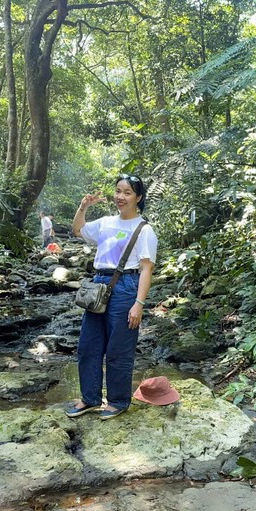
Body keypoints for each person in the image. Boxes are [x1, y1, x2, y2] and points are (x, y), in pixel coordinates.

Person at [65, 175, 157, 419]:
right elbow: (76, 230)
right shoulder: (105, 223)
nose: (120, 197)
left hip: (127, 286)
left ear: (138, 197)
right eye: (118, 191)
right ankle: (90, 398)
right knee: (88, 345)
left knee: (118, 348)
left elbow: (147, 269)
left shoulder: (144, 230)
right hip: (99, 284)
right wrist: (83, 207)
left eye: (127, 192)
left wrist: (139, 304)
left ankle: (117, 401)